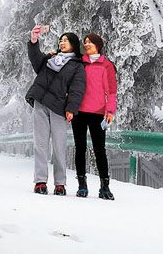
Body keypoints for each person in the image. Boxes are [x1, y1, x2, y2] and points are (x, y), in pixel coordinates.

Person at [26, 27, 86, 196]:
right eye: (61, 40)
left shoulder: (77, 66)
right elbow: (36, 60)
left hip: (60, 108)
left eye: (66, 40)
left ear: (73, 45)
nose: (62, 42)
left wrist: (72, 109)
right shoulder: (51, 58)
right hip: (40, 102)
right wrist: (33, 41)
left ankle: (60, 184)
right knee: (40, 143)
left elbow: (77, 89)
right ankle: (40, 181)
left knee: (59, 146)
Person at [72, 32, 117, 200]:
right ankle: (82, 185)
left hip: (98, 113)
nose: (87, 44)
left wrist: (110, 111)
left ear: (98, 44)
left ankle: (105, 187)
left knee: (100, 150)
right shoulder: (79, 64)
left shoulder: (106, 65)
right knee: (80, 148)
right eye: (85, 42)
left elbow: (111, 91)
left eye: (90, 42)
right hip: (79, 112)